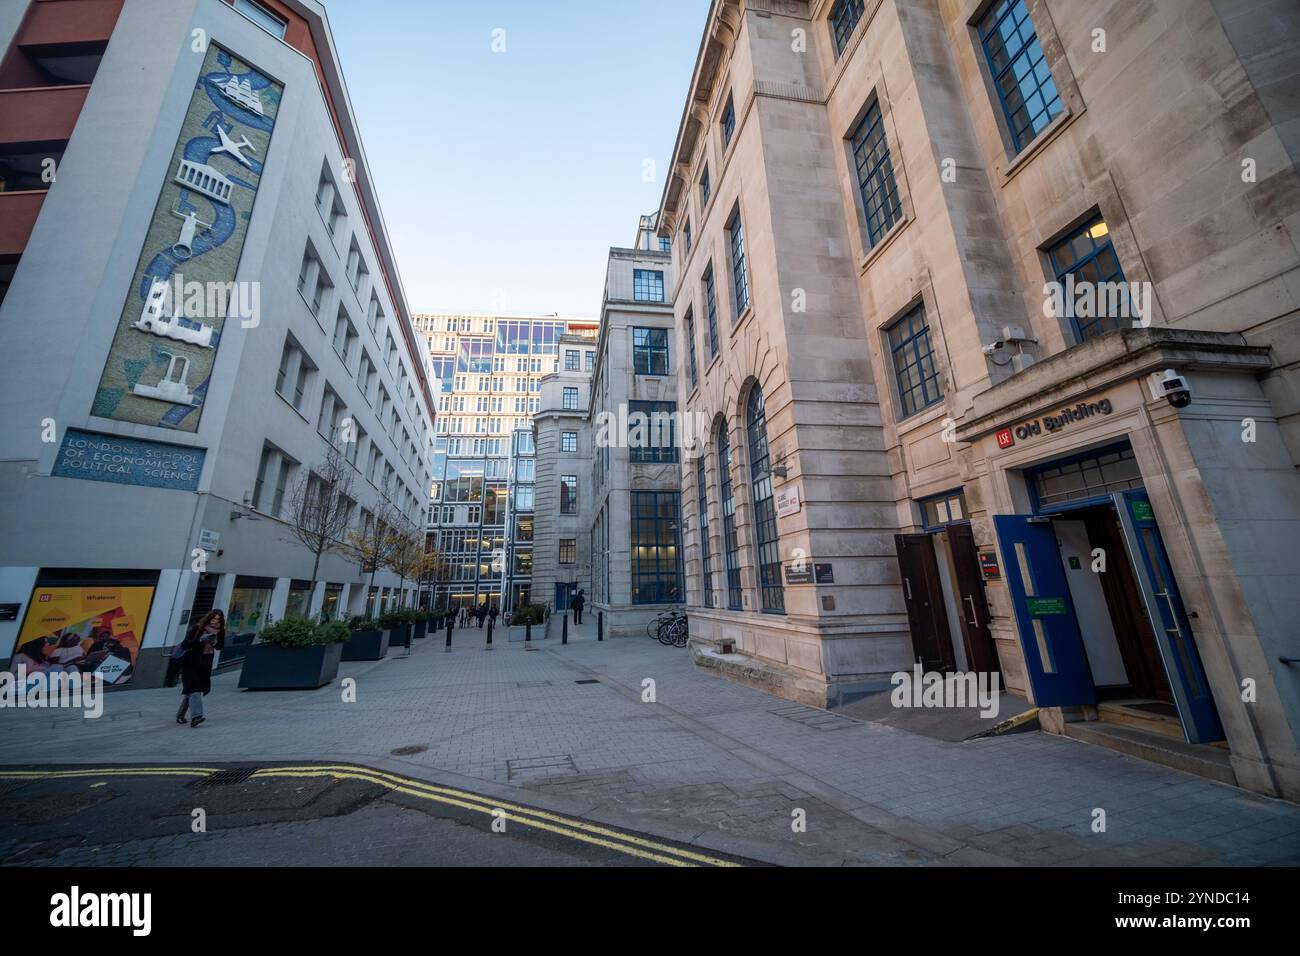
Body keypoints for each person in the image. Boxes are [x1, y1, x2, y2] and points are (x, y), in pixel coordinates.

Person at [176, 609, 225, 728]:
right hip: (191, 661)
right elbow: (185, 644)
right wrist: (200, 641)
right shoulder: (198, 628)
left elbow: (220, 646)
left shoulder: (221, 631)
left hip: (205, 662)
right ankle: (196, 716)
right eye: (213, 619)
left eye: (218, 620)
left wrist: (214, 643)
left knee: (192, 690)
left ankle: (180, 715)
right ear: (209, 618)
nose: (215, 622)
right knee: (194, 688)